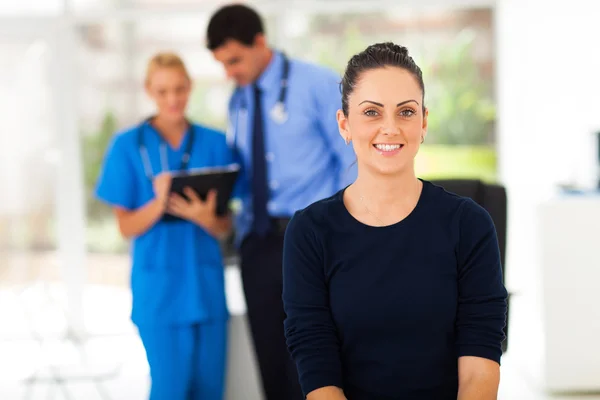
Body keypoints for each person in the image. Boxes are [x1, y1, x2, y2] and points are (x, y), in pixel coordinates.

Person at [282, 42, 508, 400]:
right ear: (345, 124)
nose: (390, 128)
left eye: (405, 112)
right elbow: (316, 364)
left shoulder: (469, 225)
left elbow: (481, 366)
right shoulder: (310, 232)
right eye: (372, 112)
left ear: (423, 123)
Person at [205, 5, 356, 400]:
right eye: (222, 64)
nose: (229, 72)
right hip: (258, 242)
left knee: (316, 358)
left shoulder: (317, 85)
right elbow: (245, 172)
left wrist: (341, 227)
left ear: (260, 42)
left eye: (234, 60)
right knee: (270, 358)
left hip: (312, 240)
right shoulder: (237, 101)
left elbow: (352, 160)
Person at [95, 52, 233, 400]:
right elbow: (126, 227)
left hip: (206, 289)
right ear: (148, 90)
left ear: (190, 87)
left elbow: (226, 226)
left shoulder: (214, 143)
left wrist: (207, 218)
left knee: (210, 391)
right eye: (163, 91)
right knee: (170, 389)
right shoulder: (127, 146)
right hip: (159, 293)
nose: (173, 99)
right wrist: (160, 202)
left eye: (180, 89)